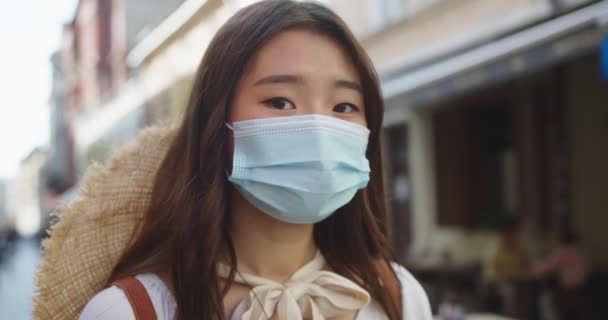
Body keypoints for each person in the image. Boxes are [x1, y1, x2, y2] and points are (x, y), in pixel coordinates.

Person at [54, 1, 433, 319]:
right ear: (217, 123)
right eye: (280, 101)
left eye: (344, 106)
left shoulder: (399, 296)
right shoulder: (130, 311)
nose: (319, 127)